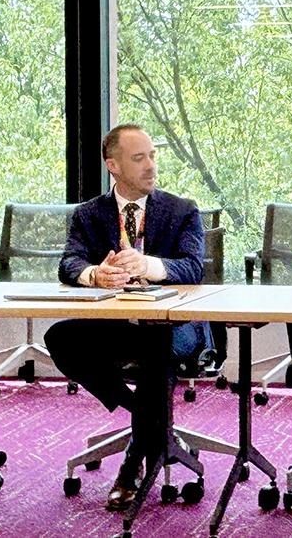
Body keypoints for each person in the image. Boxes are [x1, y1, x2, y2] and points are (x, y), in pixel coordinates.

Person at [43, 123, 211, 512]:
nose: (151, 165)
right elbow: (69, 263)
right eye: (139, 158)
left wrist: (148, 265)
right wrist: (94, 274)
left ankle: (132, 465)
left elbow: (193, 268)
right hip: (117, 324)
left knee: (156, 353)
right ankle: (151, 419)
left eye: (152, 155)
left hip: (176, 326)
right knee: (60, 338)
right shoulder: (89, 214)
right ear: (113, 166)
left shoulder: (182, 210)